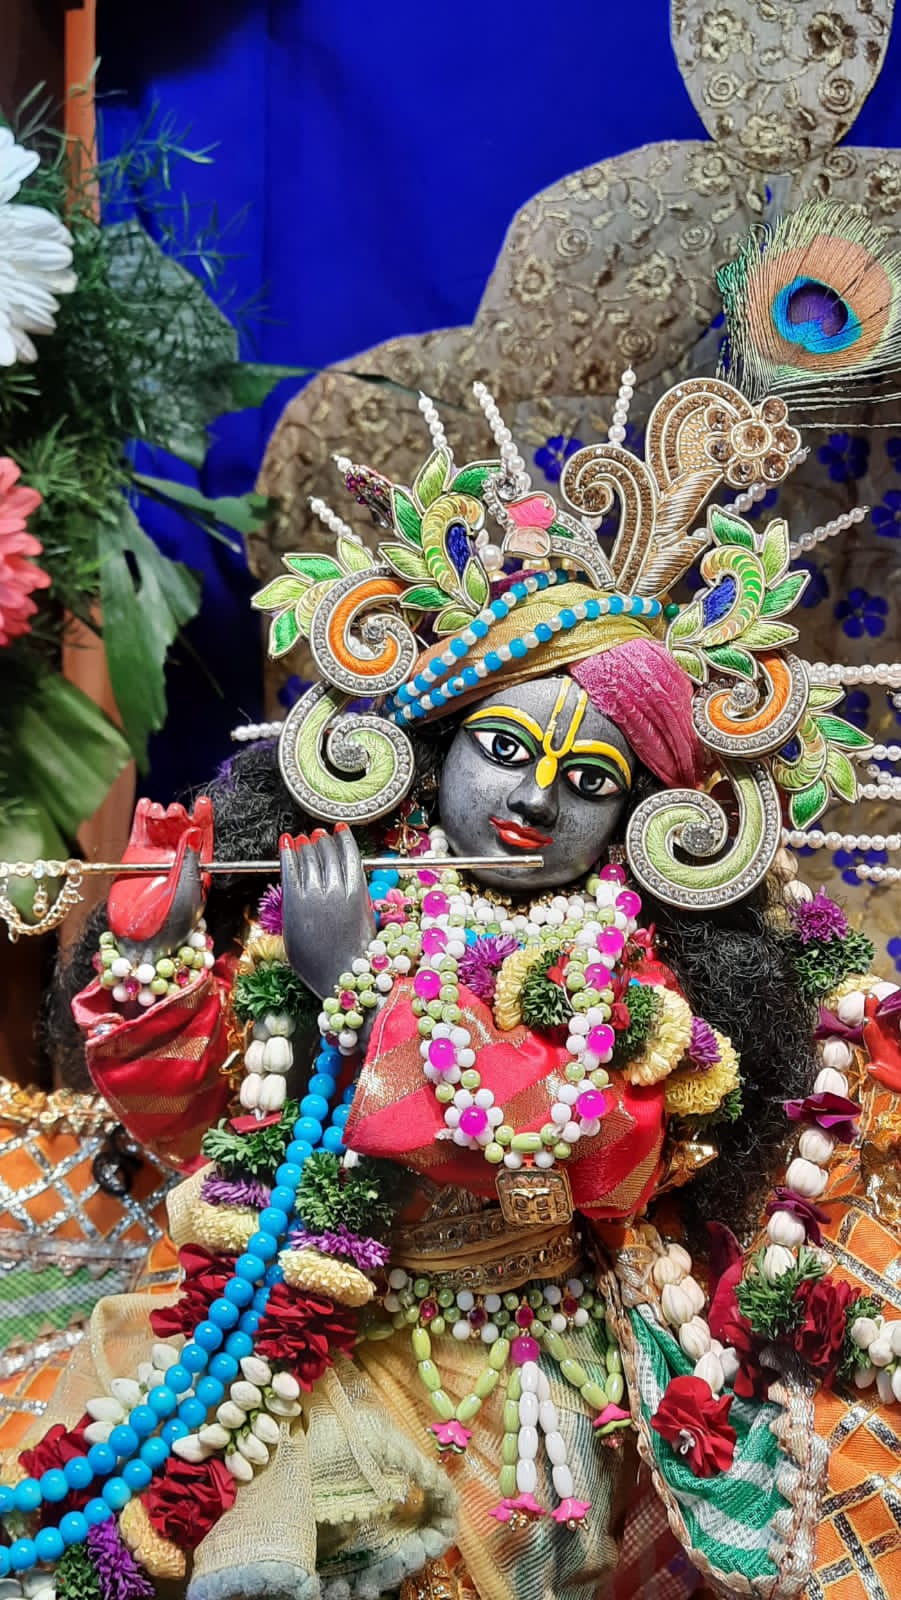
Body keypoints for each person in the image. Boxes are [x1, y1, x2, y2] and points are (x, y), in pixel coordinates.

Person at [4, 199, 901, 1600]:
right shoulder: (343, 882)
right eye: (503, 748)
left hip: (530, 1385)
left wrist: (356, 988)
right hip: (314, 1343)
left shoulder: (632, 969)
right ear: (434, 748)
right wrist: (163, 958)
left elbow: (588, 1161)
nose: (533, 796)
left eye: (586, 778)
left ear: (642, 817)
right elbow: (198, 1130)